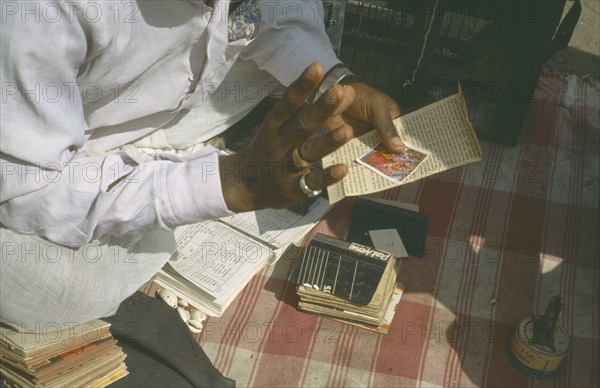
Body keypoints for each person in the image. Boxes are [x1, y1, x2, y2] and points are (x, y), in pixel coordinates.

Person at [0, 0, 402, 332]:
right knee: (44, 288)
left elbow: (267, 16)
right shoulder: (39, 14)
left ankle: (152, 180)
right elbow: (26, 191)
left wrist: (336, 85)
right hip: (28, 165)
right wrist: (227, 185)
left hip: (113, 119)